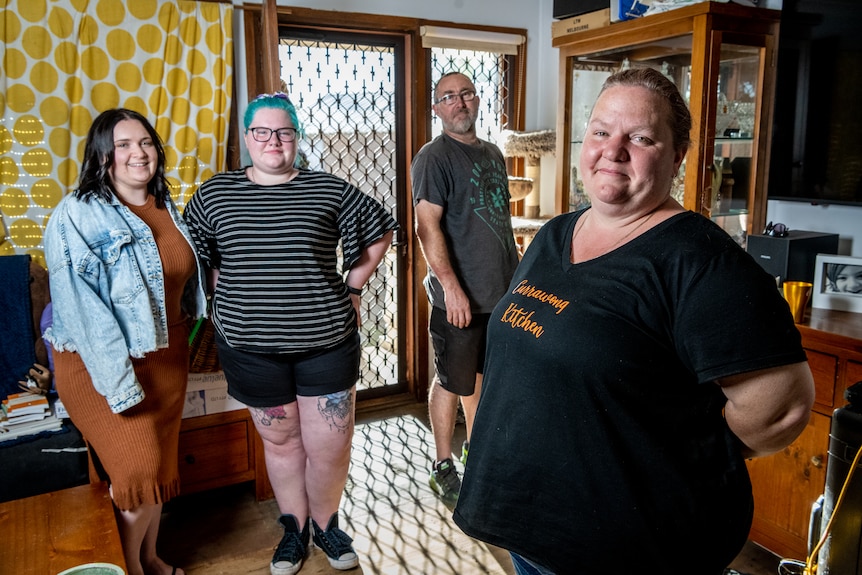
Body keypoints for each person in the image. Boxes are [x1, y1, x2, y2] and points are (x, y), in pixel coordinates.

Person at [453, 68, 816, 575]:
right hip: (534, 528)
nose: (613, 150)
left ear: (678, 156)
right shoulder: (554, 235)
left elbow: (782, 409)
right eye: (601, 131)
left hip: (623, 549)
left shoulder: (701, 261)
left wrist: (673, 453)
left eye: (640, 138)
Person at [183, 93, 397, 575]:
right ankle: (294, 531)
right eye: (262, 131)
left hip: (326, 342)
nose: (273, 141)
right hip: (251, 350)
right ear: (246, 137)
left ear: (296, 138)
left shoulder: (328, 190)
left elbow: (381, 229)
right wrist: (228, 295)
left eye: (284, 132)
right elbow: (195, 255)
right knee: (281, 445)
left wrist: (354, 287)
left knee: (330, 445)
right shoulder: (215, 194)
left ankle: (326, 524)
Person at [44, 108, 207, 575]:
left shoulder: (166, 206)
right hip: (105, 365)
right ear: (102, 157)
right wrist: (119, 386)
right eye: (123, 145)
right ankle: (130, 570)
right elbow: (82, 310)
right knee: (137, 475)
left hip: (166, 360)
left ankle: (150, 559)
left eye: (146, 143)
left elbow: (179, 287)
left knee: (157, 475)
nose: (138, 153)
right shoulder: (76, 213)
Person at [411, 71, 519, 503]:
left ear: (477, 101)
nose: (460, 102)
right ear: (437, 109)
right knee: (453, 381)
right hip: (459, 297)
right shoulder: (433, 158)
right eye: (448, 97)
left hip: (500, 295)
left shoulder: (493, 153)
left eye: (467, 94)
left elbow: (499, 226)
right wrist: (451, 287)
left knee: (484, 382)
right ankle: (443, 464)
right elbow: (426, 226)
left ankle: (477, 456)